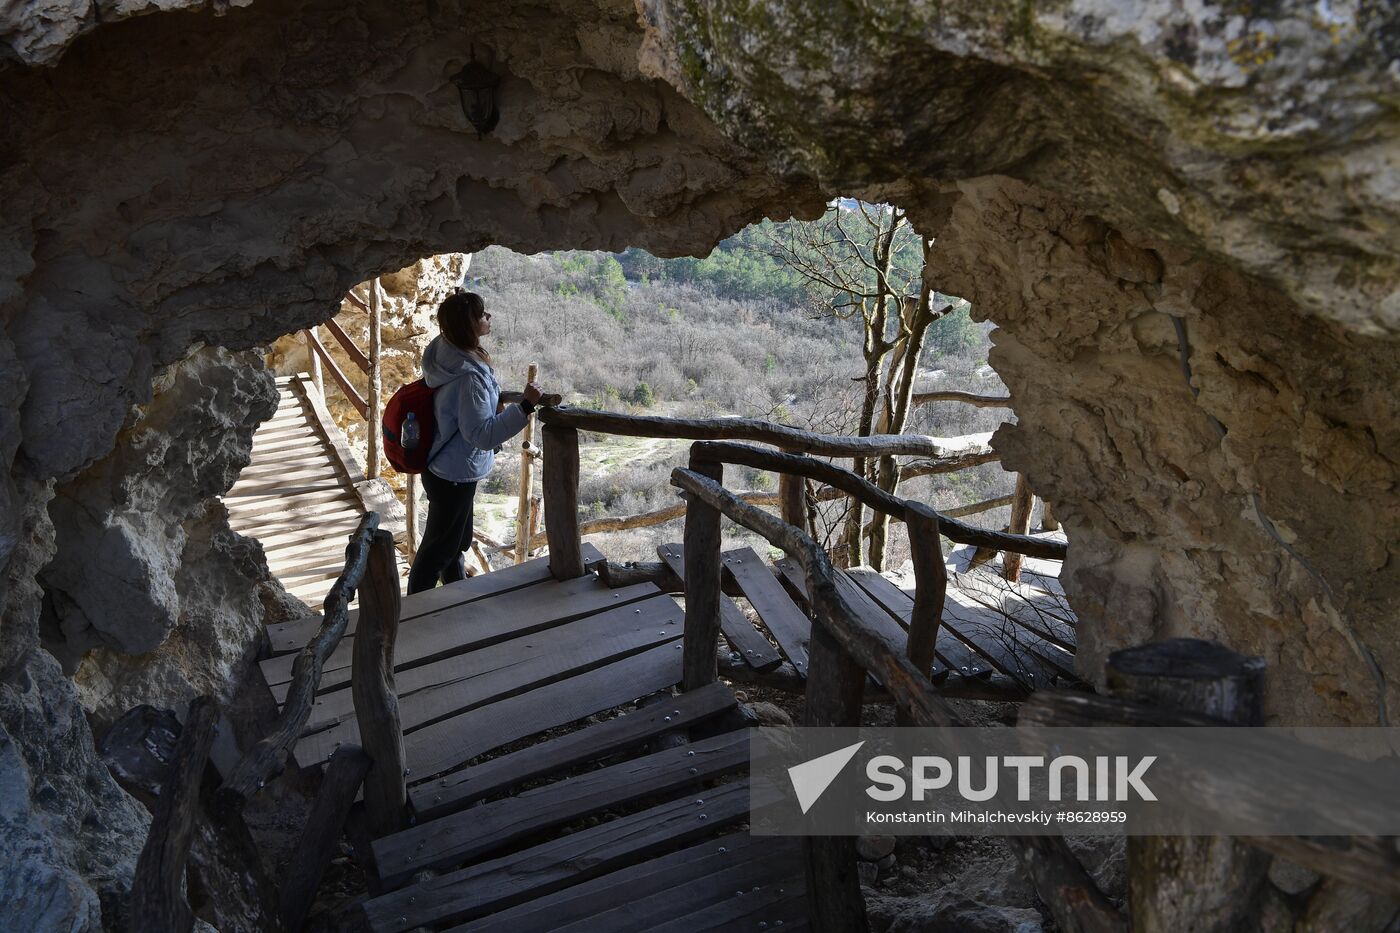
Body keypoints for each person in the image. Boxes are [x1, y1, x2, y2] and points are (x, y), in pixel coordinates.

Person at [407, 291, 542, 594]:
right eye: (482, 315)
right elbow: (481, 435)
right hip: (454, 472)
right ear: (467, 324)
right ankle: (414, 614)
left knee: (453, 543)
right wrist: (525, 407)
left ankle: (457, 595)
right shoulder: (468, 377)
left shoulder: (444, 351)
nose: (488, 317)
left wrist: (500, 398)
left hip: (443, 466)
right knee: (437, 552)